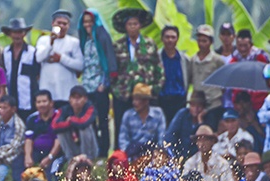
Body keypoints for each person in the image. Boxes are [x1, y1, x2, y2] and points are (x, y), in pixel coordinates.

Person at [111, 8, 163, 145]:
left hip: (145, 93)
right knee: (120, 126)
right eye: (129, 24)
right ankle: (120, 159)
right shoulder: (117, 46)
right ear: (125, 27)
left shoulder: (150, 44)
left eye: (135, 24)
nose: (133, 27)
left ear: (140, 25)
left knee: (148, 126)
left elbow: (159, 68)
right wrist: (116, 89)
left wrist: (155, 88)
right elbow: (112, 70)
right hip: (123, 93)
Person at [77, 10, 117, 156]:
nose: (88, 25)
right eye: (85, 22)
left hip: (100, 85)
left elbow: (109, 60)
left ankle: (104, 150)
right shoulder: (85, 41)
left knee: (103, 119)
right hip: (87, 87)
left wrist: (105, 84)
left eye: (90, 21)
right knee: (90, 120)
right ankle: (92, 151)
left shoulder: (102, 37)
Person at [35, 10, 84, 104]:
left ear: (68, 26)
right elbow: (38, 58)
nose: (61, 26)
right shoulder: (43, 40)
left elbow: (80, 65)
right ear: (53, 23)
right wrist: (51, 43)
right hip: (48, 93)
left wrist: (61, 58)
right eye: (59, 23)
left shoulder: (74, 42)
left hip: (67, 93)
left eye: (64, 24)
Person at [3, 18, 39, 121]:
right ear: (10, 34)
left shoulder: (32, 52)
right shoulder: (5, 52)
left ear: (24, 34)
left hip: (28, 99)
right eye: (14, 32)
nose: (17, 35)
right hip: (11, 98)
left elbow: (37, 74)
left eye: (20, 32)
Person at [52, 85, 99, 161]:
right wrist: (70, 123)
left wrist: (71, 120)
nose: (76, 101)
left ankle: (87, 159)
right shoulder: (64, 109)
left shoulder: (90, 108)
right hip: (73, 145)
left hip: (91, 148)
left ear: (85, 99)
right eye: (74, 98)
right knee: (60, 132)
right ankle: (71, 159)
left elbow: (84, 122)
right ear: (69, 99)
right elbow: (54, 126)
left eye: (79, 97)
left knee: (84, 129)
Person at [165, 91, 217, 159]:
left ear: (204, 107)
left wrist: (200, 121)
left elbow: (207, 140)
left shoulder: (209, 118)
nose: (196, 108)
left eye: (199, 106)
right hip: (180, 155)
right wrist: (173, 155)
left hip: (199, 157)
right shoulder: (182, 114)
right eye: (193, 105)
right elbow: (170, 135)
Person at [186, 25, 224, 113]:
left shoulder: (217, 60)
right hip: (197, 104)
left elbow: (224, 82)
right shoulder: (192, 60)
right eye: (199, 40)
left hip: (213, 104)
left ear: (211, 42)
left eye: (204, 41)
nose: (201, 44)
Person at [118, 83, 166, 152]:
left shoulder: (158, 114)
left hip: (151, 151)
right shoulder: (128, 115)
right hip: (132, 151)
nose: (134, 103)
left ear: (146, 101)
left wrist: (159, 151)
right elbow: (123, 139)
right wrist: (127, 153)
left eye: (137, 100)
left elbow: (162, 136)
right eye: (133, 99)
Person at [159, 25, 188, 124]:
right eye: (167, 37)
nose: (170, 40)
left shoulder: (184, 59)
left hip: (179, 101)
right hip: (162, 101)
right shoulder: (157, 58)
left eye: (173, 37)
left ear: (177, 39)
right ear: (162, 38)